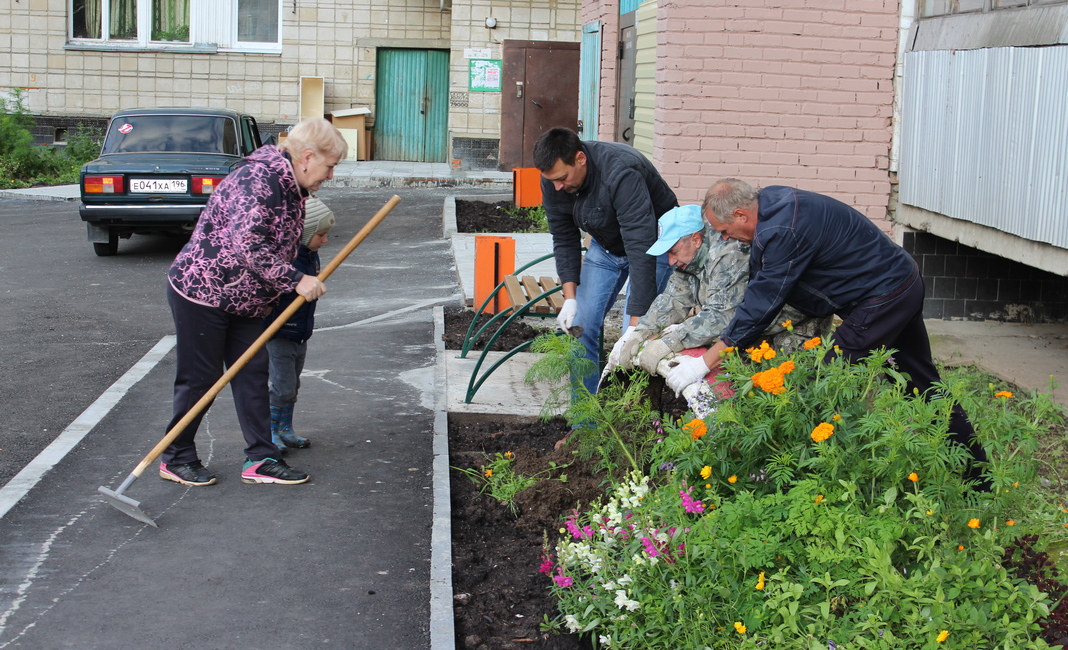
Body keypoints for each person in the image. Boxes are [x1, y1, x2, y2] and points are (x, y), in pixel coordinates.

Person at [667, 178, 988, 484]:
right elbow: (762, 283)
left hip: (884, 298)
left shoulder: (782, 230)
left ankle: (816, 477)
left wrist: (705, 362)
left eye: (724, 231)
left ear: (740, 214)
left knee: (822, 381)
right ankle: (977, 478)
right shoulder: (771, 203)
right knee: (920, 384)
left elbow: (762, 303)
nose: (725, 238)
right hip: (898, 282)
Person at [159, 117, 346, 487]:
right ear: (307, 157)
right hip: (204, 293)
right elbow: (250, 246)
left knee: (252, 374)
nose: (331, 175)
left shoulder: (291, 186)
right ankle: (176, 456)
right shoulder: (258, 181)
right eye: (330, 166)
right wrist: (296, 279)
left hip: (245, 299)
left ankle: (261, 458)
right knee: (201, 379)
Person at [602, 204, 829, 399]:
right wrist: (637, 333)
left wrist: (669, 342)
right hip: (752, 331)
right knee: (748, 392)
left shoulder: (729, 253)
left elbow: (722, 316)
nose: (670, 261)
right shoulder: (689, 259)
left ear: (696, 239)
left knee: (792, 393)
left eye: (673, 251)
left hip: (792, 327)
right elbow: (673, 299)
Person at [532, 126, 678, 396]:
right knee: (579, 327)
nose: (557, 187)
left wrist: (635, 325)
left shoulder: (621, 172)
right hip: (606, 244)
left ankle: (628, 423)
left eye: (562, 178)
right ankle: (584, 426)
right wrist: (570, 298)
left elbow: (640, 247)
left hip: (653, 245)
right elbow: (564, 238)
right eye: (552, 181)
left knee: (634, 341)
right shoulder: (554, 180)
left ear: (580, 158)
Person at [264, 196, 335, 452]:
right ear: (303, 235)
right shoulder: (287, 262)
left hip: (300, 332)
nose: (325, 240)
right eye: (321, 235)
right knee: (281, 387)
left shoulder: (309, 255)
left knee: (292, 385)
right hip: (280, 333)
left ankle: (285, 428)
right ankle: (269, 431)